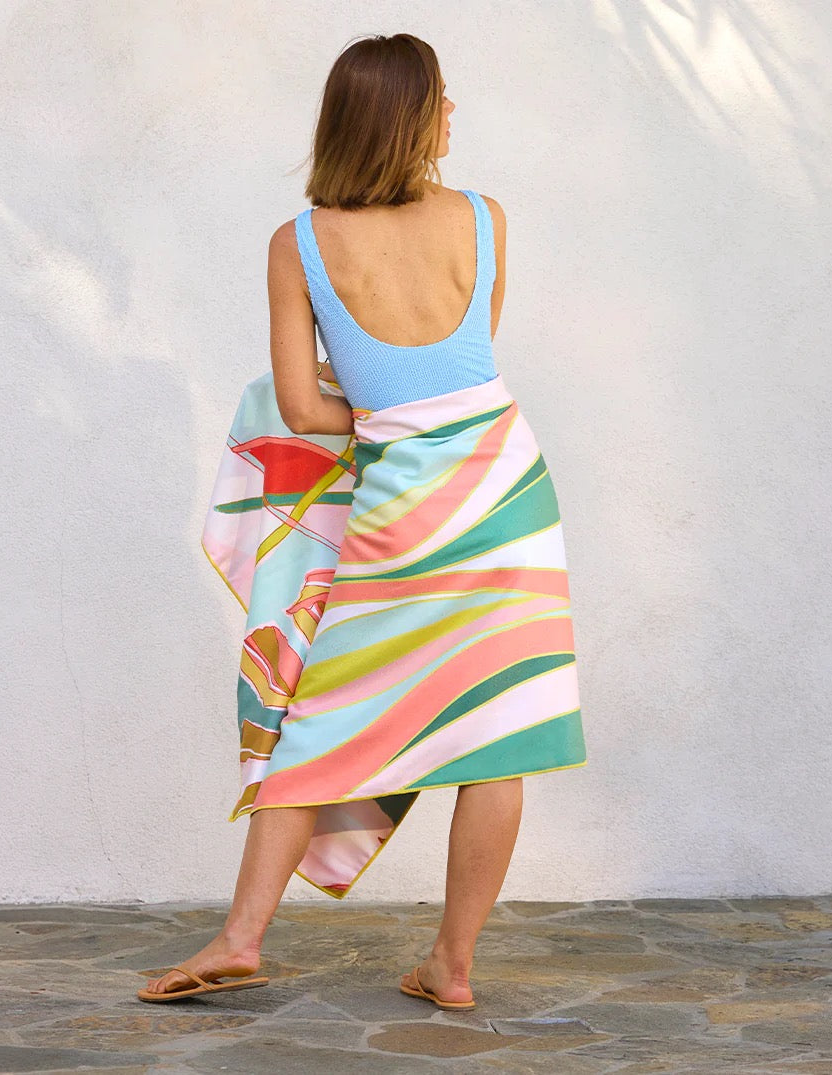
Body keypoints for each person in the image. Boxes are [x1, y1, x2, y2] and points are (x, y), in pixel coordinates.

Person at [138, 32, 586, 1009]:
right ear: (408, 116)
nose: (453, 112)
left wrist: (382, 418)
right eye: (441, 98)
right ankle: (451, 965)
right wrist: (420, 412)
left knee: (321, 712)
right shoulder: (485, 217)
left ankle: (242, 937)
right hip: (506, 486)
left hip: (402, 497)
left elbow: (304, 409)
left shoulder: (299, 242)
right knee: (500, 732)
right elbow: (465, 366)